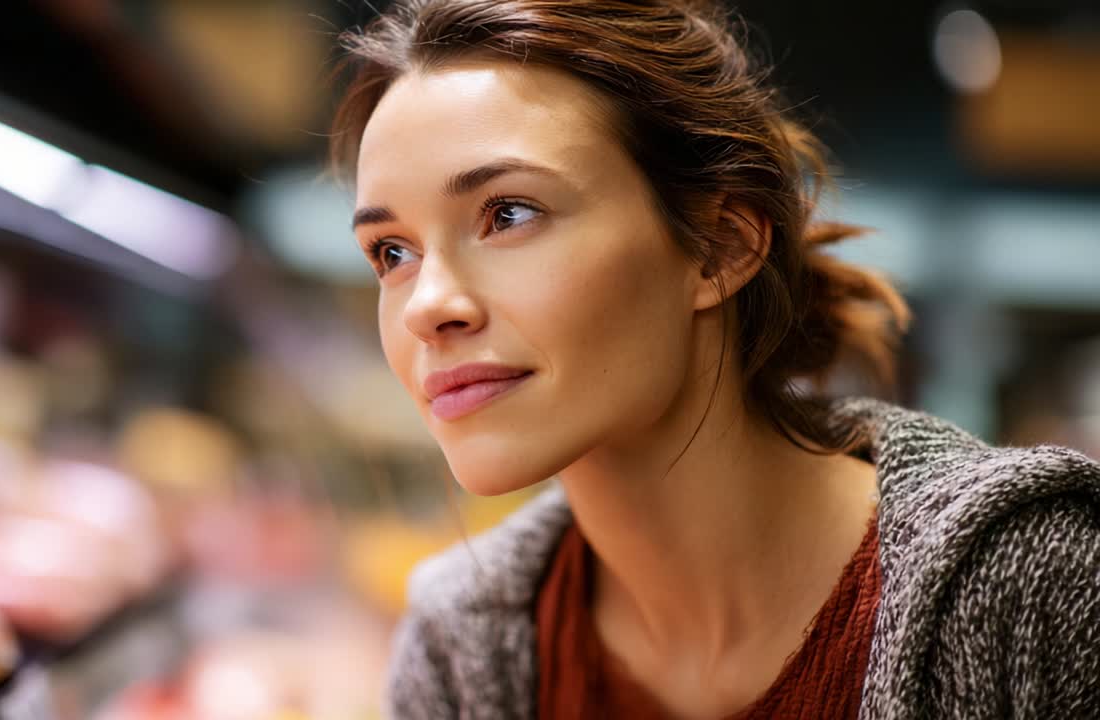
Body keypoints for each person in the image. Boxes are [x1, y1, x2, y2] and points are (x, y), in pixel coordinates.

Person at [328, 1, 1100, 717]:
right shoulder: (458, 641)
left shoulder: (1032, 582)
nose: (428, 306)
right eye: (391, 252)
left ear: (720, 246)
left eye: (510, 213)